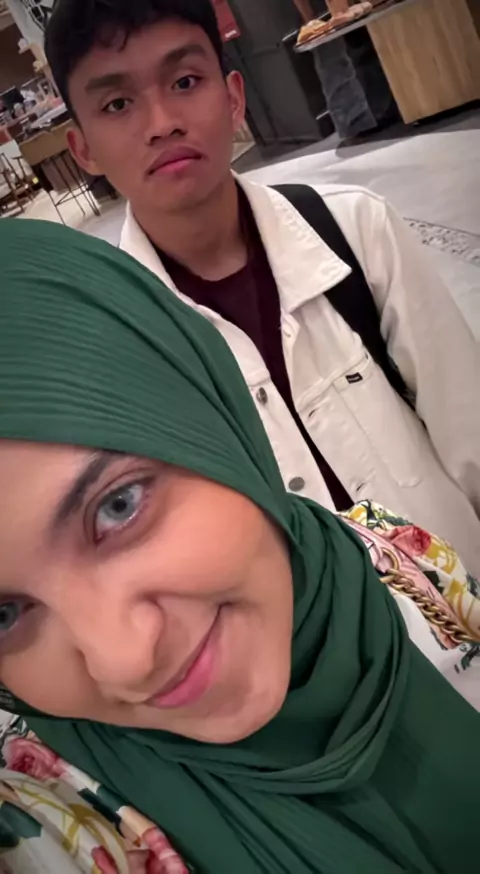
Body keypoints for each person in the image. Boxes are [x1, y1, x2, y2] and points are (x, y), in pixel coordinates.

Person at [0, 217, 479, 874]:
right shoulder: (43, 826)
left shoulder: (403, 560)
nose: (124, 660)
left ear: (212, 417)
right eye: (4, 615)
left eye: (118, 505)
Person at [44, 0, 480, 576]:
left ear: (233, 97)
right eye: (117, 104)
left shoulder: (354, 232)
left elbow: (470, 436)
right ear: (84, 150)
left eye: (184, 81)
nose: (162, 122)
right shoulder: (115, 346)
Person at [292, 0, 396, 140]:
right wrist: (310, 20)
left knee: (353, 53)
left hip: (337, 9)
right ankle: (360, 120)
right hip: (325, 12)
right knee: (335, 61)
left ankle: (371, 115)